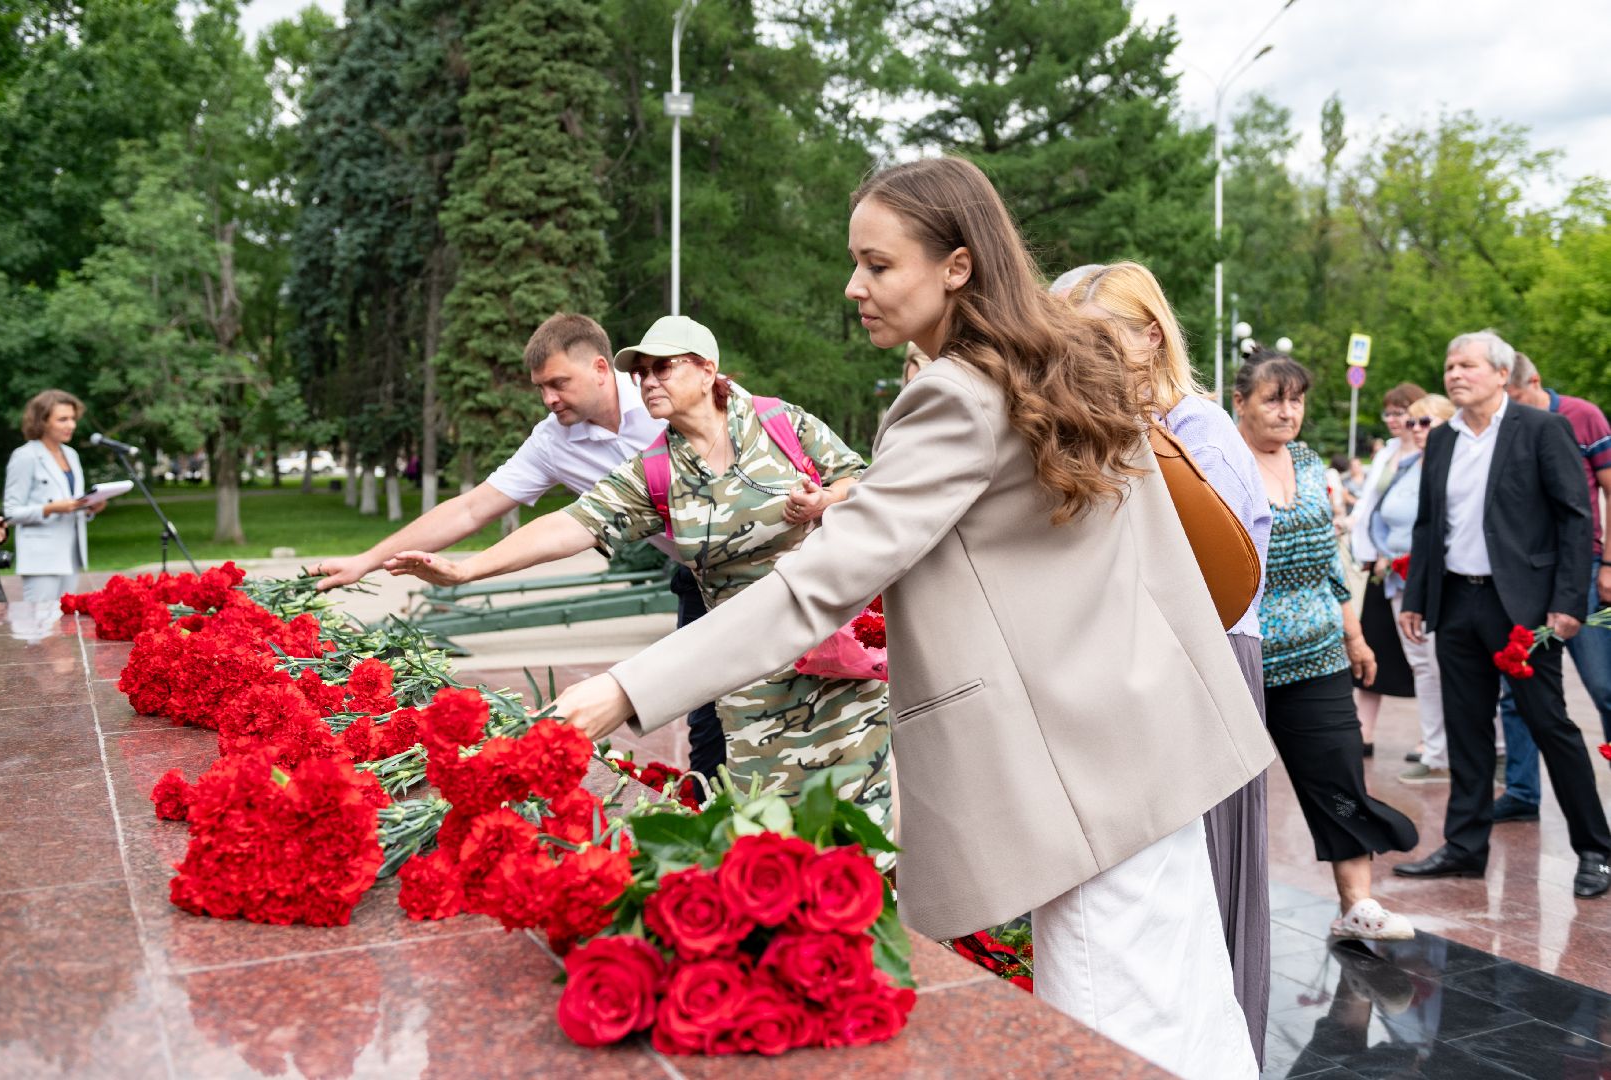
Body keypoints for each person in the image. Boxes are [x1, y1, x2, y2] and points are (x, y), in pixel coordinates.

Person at [550, 157, 1270, 1079]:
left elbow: (817, 588)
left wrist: (622, 690)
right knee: (1191, 1022)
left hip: (1073, 779)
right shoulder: (1068, 365)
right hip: (1150, 748)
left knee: (1112, 1042)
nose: (855, 286)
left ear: (958, 266)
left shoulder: (955, 396)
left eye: (877, 264)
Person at [386, 315, 893, 825]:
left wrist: (823, 500)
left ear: (705, 370)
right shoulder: (655, 470)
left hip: (833, 655)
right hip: (749, 671)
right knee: (772, 828)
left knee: (866, 820)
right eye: (641, 373)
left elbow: (866, 483)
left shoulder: (780, 422)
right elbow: (571, 524)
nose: (648, 381)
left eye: (662, 368)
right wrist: (468, 570)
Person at [312, 314, 730, 785]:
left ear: (599, 368)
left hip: (770, 564)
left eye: (558, 383)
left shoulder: (670, 393)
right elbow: (473, 510)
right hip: (699, 579)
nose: (549, 399)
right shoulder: (554, 442)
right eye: (541, 388)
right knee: (709, 724)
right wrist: (366, 561)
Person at [1053, 260, 1273, 1066]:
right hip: (1159, 659)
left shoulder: (1201, 433)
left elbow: (1199, 571)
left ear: (1151, 336)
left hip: (1210, 655)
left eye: (1101, 339)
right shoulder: (1121, 428)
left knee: (1212, 874)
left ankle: (1225, 1047)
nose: (1085, 358)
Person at [1396, 330, 1611, 897]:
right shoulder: (1440, 440)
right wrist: (1417, 596)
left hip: (1522, 606)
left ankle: (1596, 849)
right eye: (1448, 365)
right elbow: (1427, 524)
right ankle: (1465, 848)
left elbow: (1575, 519)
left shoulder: (1541, 429)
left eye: (1466, 365)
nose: (1454, 374)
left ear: (1499, 373)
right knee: (1468, 731)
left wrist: (1567, 604)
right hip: (1458, 603)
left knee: (1550, 725)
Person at [1235, 350, 1419, 940]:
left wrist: (1356, 635)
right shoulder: (1219, 464)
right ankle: (1223, 912)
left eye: (1296, 399)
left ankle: (1357, 906)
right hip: (1242, 655)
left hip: (1317, 654)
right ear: (1240, 403)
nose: (1288, 411)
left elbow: (1327, 561)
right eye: (1273, 398)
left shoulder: (1311, 464)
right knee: (1231, 792)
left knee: (1339, 776)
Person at [1492, 351, 1611, 821]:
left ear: (1533, 382)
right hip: (1525, 575)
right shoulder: (1504, 424)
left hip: (1580, 568)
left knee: (1603, 684)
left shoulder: (1582, 416)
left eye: (1516, 396)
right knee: (1518, 687)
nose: (1511, 406)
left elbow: (1608, 489)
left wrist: (1608, 564)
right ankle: (1523, 792)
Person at [1370, 394, 1457, 784]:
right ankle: (1435, 751)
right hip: (1399, 577)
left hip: (1439, 579)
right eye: (1413, 423)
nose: (1417, 430)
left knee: (1448, 665)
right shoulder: (1407, 465)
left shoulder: (1451, 465)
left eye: (1426, 423)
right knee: (1423, 666)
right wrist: (1382, 551)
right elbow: (1384, 514)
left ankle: (1477, 751)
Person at [1350, 383, 1427, 757]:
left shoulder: (1431, 452)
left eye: (1402, 412)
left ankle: (1430, 737)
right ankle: (1363, 731)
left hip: (1410, 569)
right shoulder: (1388, 453)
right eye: (1390, 413)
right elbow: (1369, 505)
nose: (1395, 420)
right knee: (1373, 648)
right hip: (1381, 567)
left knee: (1421, 657)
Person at [2, 390, 108, 603]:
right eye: (63, 419)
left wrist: (89, 508)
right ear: (42, 422)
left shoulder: (71, 454)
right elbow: (11, 513)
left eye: (72, 418)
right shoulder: (25, 456)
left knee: (64, 624)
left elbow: (72, 501)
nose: (71, 425)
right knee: (41, 628)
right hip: (41, 558)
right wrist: (50, 508)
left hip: (72, 554)